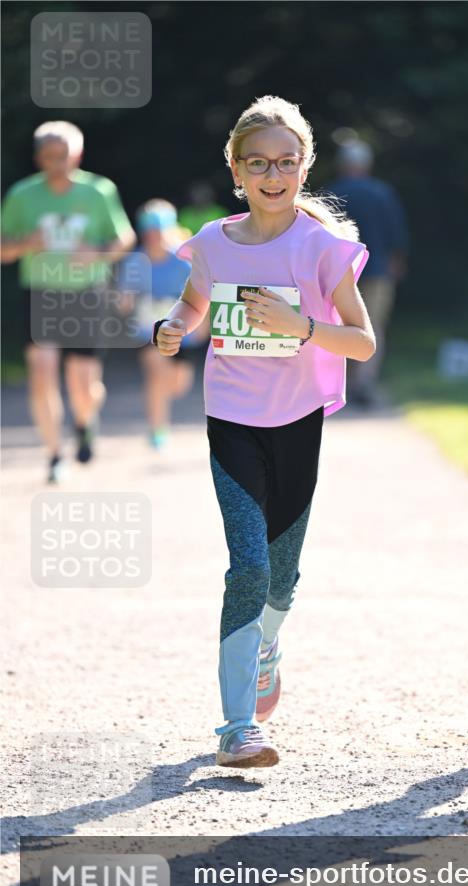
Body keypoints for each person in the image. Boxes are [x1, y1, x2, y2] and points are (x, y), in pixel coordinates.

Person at [153, 95, 374, 767]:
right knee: (247, 568)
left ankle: (266, 645)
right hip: (232, 420)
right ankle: (236, 728)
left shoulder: (321, 249)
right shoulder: (215, 243)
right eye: (258, 164)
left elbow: (362, 343)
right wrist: (173, 327)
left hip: (298, 422)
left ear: (303, 166)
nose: (272, 176)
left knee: (282, 579)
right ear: (235, 170)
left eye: (285, 162)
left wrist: (301, 327)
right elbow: (193, 301)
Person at [1, 121, 135, 482]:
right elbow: (2, 249)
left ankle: (84, 421)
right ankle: (53, 455)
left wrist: (97, 252)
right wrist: (26, 244)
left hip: (87, 293)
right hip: (41, 292)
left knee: (83, 384)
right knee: (42, 373)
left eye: (64, 156)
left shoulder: (98, 191)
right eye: (49, 157)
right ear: (38, 157)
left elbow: (124, 240)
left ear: (78, 154)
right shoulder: (22, 195)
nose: (57, 163)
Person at [117, 199, 205, 449]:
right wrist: (122, 301)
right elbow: (125, 299)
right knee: (156, 375)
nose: (152, 237)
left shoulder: (183, 261)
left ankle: (161, 406)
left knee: (177, 384)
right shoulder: (134, 261)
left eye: (157, 232)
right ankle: (157, 429)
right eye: (148, 232)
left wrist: (204, 329)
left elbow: (201, 297)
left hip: (182, 333)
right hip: (148, 331)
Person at [327, 139, 408, 407]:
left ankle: (338, 383)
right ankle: (364, 382)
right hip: (378, 270)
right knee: (373, 326)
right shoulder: (382, 193)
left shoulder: (332, 193)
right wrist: (395, 263)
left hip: (339, 272)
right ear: (367, 164)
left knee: (337, 324)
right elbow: (396, 233)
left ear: (342, 164)